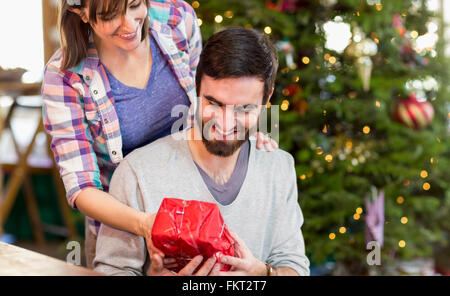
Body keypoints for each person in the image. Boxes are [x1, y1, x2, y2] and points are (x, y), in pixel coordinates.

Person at [42, 0, 277, 269]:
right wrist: (146, 224)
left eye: (135, 4)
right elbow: (81, 188)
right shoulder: (65, 77)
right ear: (80, 11)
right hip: (126, 233)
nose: (129, 25)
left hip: (201, 217)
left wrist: (243, 131)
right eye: (108, 15)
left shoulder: (179, 20)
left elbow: (212, 100)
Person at [93, 27, 310, 276]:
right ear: (196, 89)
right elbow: (110, 271)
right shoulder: (138, 172)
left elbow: (295, 268)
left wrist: (262, 273)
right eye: (214, 104)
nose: (226, 124)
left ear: (266, 100)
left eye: (245, 109)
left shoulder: (278, 168)